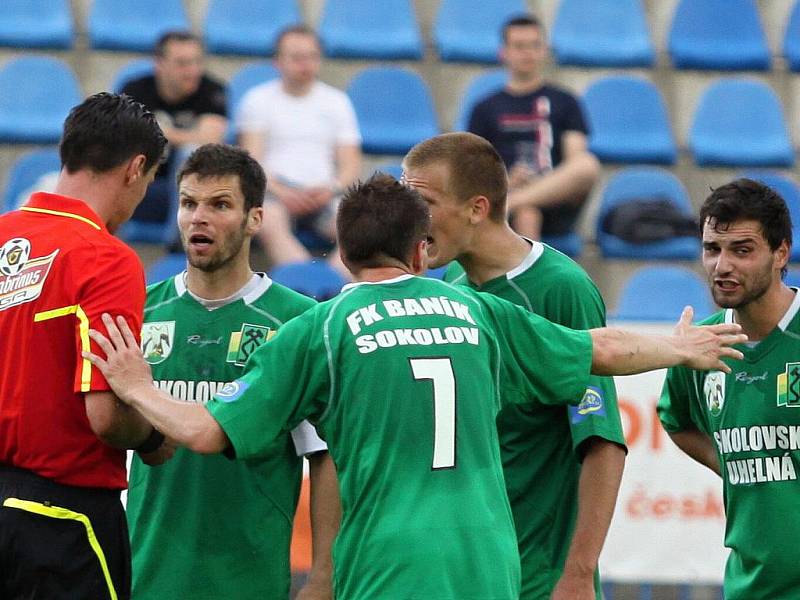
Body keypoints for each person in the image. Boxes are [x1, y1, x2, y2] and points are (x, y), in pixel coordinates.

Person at [85, 174, 745, 600]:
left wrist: (138, 388)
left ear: (342, 254)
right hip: (487, 561)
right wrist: (676, 346)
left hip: (390, 563)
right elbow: (598, 348)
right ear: (422, 251)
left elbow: (203, 432)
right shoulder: (478, 313)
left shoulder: (320, 329)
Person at [403, 131, 625, 600]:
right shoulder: (452, 286)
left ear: (477, 209)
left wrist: (579, 575)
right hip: (467, 570)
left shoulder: (560, 288)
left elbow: (601, 442)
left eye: (422, 202)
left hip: (538, 575)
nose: (409, 218)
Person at [126, 144, 338, 599]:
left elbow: (324, 458)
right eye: (188, 203)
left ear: (255, 219)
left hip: (250, 578)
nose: (198, 218)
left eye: (220, 205)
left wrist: (323, 576)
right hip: (148, 573)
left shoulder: (299, 322)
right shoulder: (140, 310)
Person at [0, 92, 168, 600]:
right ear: (136, 168)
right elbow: (105, 416)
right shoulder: (106, 259)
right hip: (63, 522)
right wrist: (156, 437)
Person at [658, 179, 800, 600]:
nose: (722, 266)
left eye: (742, 250)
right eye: (712, 249)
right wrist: (740, 465)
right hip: (750, 587)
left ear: (780, 253)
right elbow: (676, 421)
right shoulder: (701, 345)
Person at [237, 24, 362, 266]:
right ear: (277, 61)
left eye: (312, 57)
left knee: (359, 227)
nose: (305, 64)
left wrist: (331, 189)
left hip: (325, 193)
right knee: (268, 219)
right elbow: (252, 161)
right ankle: (304, 284)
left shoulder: (337, 102)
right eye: (296, 57)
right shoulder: (257, 100)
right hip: (274, 193)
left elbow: (350, 163)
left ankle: (333, 287)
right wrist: (283, 192)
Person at [468, 15, 599, 242]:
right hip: (504, 194)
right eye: (519, 46)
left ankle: (514, 202)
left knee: (587, 165)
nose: (527, 53)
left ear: (544, 50)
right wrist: (507, 181)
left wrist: (537, 185)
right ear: (504, 52)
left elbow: (576, 160)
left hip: (554, 198)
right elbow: (475, 169)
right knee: (527, 213)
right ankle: (533, 275)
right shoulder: (484, 108)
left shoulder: (566, 101)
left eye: (534, 45)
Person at [121, 30, 227, 237]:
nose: (193, 71)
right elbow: (122, 138)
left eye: (197, 62)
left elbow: (210, 139)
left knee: (193, 152)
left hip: (192, 193)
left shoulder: (211, 90)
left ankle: (181, 237)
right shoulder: (135, 90)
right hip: (140, 184)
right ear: (159, 64)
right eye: (183, 63)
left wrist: (155, 131)